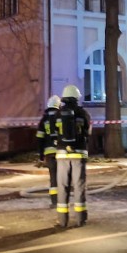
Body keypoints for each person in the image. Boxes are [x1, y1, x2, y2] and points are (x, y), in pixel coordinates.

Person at [54, 84, 92, 228]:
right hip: (78, 154)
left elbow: (54, 133)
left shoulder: (58, 114)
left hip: (62, 155)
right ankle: (80, 219)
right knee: (79, 185)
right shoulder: (83, 113)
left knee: (62, 186)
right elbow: (88, 132)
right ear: (76, 98)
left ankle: (62, 220)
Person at [35, 95, 62, 208]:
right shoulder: (61, 117)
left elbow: (39, 139)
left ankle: (54, 202)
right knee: (63, 177)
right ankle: (63, 201)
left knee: (53, 179)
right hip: (61, 153)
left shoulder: (44, 120)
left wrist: (41, 156)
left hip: (49, 154)